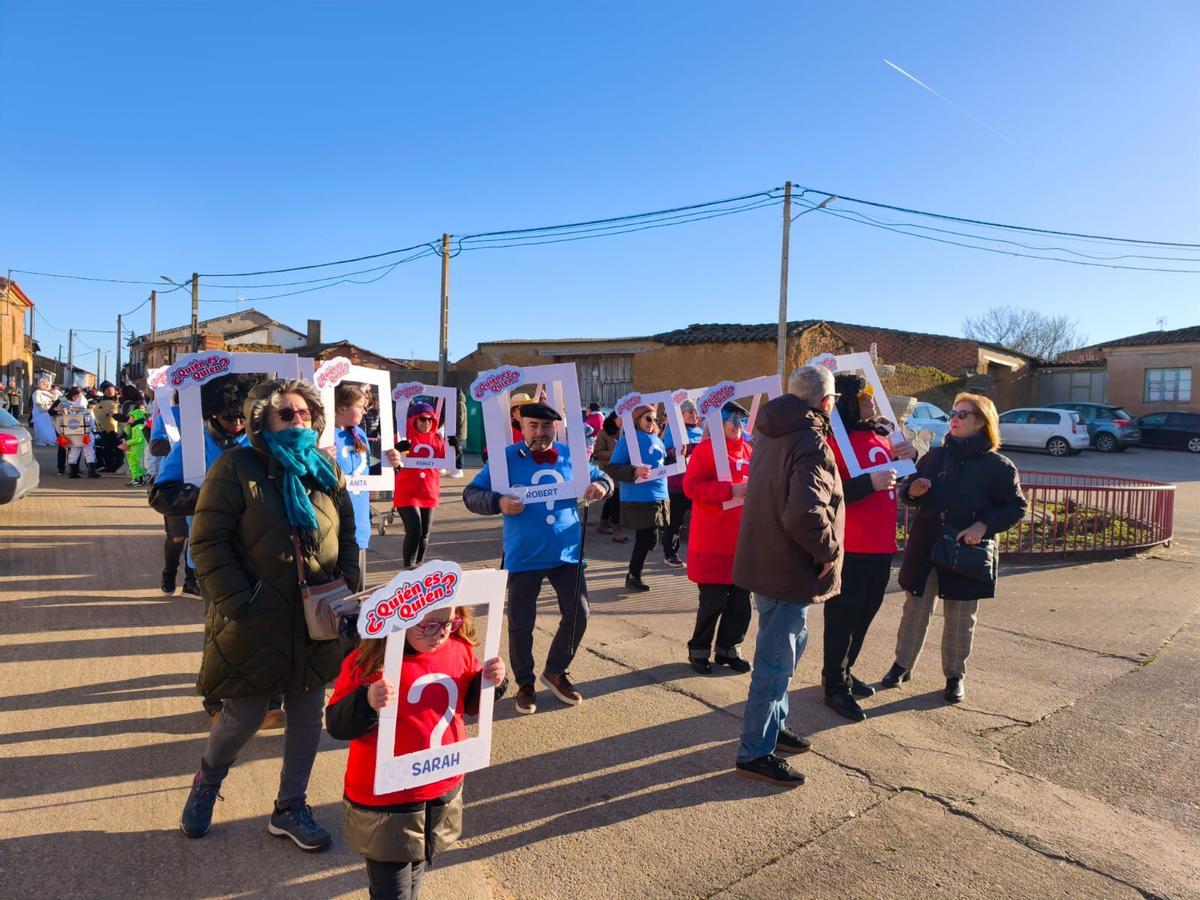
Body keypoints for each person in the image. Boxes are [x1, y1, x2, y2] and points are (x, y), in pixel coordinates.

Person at [179, 378, 359, 851]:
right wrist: (239, 601)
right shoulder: (236, 466)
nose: (297, 420)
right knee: (243, 715)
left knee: (306, 713)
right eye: (286, 414)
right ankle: (207, 783)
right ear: (262, 420)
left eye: (304, 414)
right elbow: (208, 541)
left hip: (317, 614)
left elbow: (348, 530)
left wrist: (350, 578)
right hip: (255, 615)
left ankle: (290, 806)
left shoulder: (324, 469)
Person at [326, 606, 507, 899]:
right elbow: (335, 723)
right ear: (402, 619)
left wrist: (489, 683)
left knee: (415, 873)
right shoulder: (369, 663)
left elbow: (469, 704)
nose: (440, 634)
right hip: (386, 797)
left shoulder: (458, 648)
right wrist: (367, 700)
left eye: (449, 623)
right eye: (429, 625)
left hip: (436, 788)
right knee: (393, 890)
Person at [732, 365, 844, 787]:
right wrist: (828, 549)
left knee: (788, 651)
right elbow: (803, 512)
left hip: (769, 559)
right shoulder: (809, 439)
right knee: (776, 663)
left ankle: (774, 729)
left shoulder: (771, 430)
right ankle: (754, 752)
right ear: (826, 401)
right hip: (788, 563)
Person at [463, 402, 612, 714]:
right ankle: (525, 682)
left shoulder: (571, 455)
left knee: (579, 614)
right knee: (521, 623)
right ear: (522, 426)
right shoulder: (505, 459)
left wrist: (600, 485)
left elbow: (603, 477)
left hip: (567, 553)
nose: (541, 432)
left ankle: (555, 671)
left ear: (555, 427)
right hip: (524, 555)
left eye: (546, 427)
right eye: (534, 426)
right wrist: (498, 501)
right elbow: (471, 494)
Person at [881, 392, 1026, 703]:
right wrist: (914, 491)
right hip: (927, 545)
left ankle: (954, 676)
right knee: (915, 609)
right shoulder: (934, 457)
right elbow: (908, 492)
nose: (955, 419)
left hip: (967, 551)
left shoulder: (999, 466)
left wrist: (982, 525)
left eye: (963, 414)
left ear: (981, 423)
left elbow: (1015, 507)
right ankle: (902, 665)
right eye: (953, 413)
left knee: (961, 616)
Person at [821, 374, 917, 722]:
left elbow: (897, 478)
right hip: (853, 544)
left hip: (881, 543)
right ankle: (834, 685)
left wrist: (909, 457)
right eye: (865, 394)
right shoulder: (833, 441)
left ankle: (845, 672)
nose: (873, 398)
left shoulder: (880, 435)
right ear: (847, 400)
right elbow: (827, 491)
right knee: (843, 617)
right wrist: (866, 484)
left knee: (865, 613)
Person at [682, 401, 753, 674]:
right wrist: (729, 490)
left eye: (741, 420)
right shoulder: (706, 450)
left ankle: (728, 648)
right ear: (718, 423)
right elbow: (691, 487)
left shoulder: (749, 450)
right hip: (712, 539)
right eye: (732, 419)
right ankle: (699, 649)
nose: (738, 425)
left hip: (742, 541)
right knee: (713, 602)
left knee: (740, 603)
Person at [607, 404, 669, 593]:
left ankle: (634, 574)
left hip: (659, 494)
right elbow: (613, 467)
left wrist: (676, 456)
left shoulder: (657, 439)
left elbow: (662, 465)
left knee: (651, 538)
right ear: (637, 420)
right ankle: (633, 575)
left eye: (654, 420)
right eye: (648, 419)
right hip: (640, 496)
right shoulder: (628, 440)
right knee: (648, 536)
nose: (652, 423)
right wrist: (635, 471)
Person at [386, 400, 450, 570]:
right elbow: (387, 462)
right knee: (414, 530)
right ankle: (409, 569)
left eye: (430, 419)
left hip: (429, 491)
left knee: (424, 534)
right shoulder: (402, 437)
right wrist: (395, 449)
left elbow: (451, 462)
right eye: (423, 419)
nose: (427, 422)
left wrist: (455, 450)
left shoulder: (437, 438)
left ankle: (419, 569)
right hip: (407, 492)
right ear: (414, 419)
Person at [329, 383, 372, 588]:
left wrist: (393, 462)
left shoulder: (360, 435)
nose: (365, 411)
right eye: (360, 406)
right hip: (334, 523)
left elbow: (367, 472)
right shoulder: (323, 435)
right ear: (341, 409)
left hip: (360, 523)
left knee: (357, 591)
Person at [662, 400, 705, 567]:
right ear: (681, 415)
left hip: (698, 482)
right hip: (678, 484)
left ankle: (698, 552)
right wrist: (677, 451)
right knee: (675, 521)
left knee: (699, 520)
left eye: (695, 412)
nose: (694, 415)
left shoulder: (701, 430)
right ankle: (670, 553)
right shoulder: (673, 430)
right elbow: (667, 451)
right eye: (690, 412)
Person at [592, 412, 627, 543]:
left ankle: (602, 523)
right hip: (608, 470)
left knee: (612, 498)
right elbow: (598, 453)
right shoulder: (604, 433)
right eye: (621, 417)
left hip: (622, 470)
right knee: (615, 498)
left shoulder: (626, 432)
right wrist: (617, 452)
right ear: (614, 419)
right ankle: (616, 529)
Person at [55, 386, 102, 479]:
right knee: (89, 453)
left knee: (73, 453)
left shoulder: (69, 413)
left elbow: (62, 424)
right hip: (85, 436)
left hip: (73, 437)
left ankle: (73, 472)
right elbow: (92, 425)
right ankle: (91, 471)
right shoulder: (86, 413)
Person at [94, 381, 123, 472]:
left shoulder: (121, 400)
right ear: (104, 391)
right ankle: (109, 466)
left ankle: (119, 465)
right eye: (107, 389)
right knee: (107, 448)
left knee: (119, 448)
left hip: (119, 428)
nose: (110, 390)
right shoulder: (99, 401)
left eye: (111, 388)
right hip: (104, 429)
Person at [121, 405, 150, 486]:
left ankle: (138, 479)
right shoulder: (135, 426)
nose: (129, 419)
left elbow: (138, 439)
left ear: (136, 418)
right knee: (133, 464)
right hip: (133, 448)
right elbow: (128, 433)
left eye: (131, 417)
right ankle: (140, 477)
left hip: (137, 448)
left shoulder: (140, 427)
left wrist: (127, 443)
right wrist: (128, 426)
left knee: (134, 464)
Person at [30, 378, 59, 446]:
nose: (46, 386)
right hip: (39, 412)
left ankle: (50, 440)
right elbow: (37, 402)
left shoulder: (48, 392)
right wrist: (47, 402)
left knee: (48, 427)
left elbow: (54, 400)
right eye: (44, 384)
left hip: (46, 411)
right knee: (40, 426)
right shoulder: (37, 392)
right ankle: (41, 441)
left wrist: (53, 400)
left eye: (47, 384)